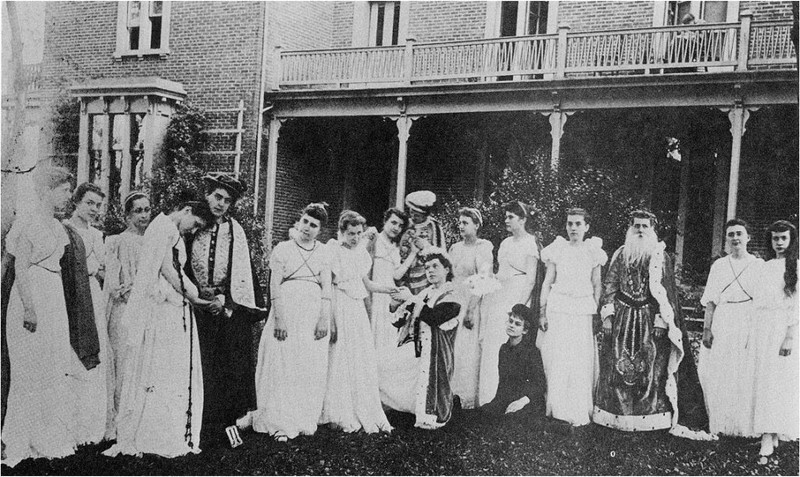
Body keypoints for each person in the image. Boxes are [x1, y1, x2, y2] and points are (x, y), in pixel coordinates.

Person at [103, 195, 215, 458]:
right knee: (161, 368)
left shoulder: (166, 228)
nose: (194, 229)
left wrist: (194, 292)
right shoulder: (164, 228)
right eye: (195, 223)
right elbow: (167, 270)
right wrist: (194, 296)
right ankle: (156, 434)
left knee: (168, 369)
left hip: (172, 304)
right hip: (164, 306)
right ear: (186, 210)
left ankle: (168, 430)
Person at [2, 167, 99, 468]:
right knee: (31, 369)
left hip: (53, 297)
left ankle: (50, 436)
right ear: (46, 190)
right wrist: (29, 307)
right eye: (64, 191)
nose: (67, 197)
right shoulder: (28, 223)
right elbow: (20, 269)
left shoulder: (59, 228)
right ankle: (22, 438)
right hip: (30, 295)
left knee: (54, 366)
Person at [594, 210, 710, 438]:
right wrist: (607, 315)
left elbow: (666, 293)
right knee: (619, 365)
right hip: (622, 319)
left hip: (649, 319)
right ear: (630, 228)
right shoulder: (620, 254)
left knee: (650, 369)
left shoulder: (660, 256)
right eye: (636, 226)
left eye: (644, 226)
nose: (640, 230)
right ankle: (616, 417)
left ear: (652, 230)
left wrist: (661, 320)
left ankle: (650, 419)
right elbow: (609, 285)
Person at [185, 173, 267, 447]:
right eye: (217, 197)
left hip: (225, 308)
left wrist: (224, 299)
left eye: (227, 200)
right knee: (199, 364)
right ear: (207, 195)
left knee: (226, 365)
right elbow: (179, 264)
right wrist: (196, 293)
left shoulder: (235, 230)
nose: (221, 204)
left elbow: (242, 273)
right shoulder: (192, 226)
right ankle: (197, 423)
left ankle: (226, 425)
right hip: (194, 305)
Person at [241, 203, 332, 441]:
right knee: (282, 363)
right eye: (305, 222)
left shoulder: (323, 252)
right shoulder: (283, 249)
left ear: (320, 230)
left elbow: (326, 288)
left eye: (314, 225)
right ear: (299, 221)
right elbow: (274, 286)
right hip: (287, 312)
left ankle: (302, 418)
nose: (308, 228)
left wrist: (324, 317)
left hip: (312, 314)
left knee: (307, 366)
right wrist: (279, 318)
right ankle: (279, 421)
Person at [319, 211, 393, 434]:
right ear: (342, 232)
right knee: (340, 355)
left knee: (360, 356)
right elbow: (329, 287)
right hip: (339, 304)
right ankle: (339, 409)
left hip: (356, 308)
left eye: (359, 233)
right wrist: (330, 319)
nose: (355, 237)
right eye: (351, 233)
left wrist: (387, 289)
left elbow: (366, 283)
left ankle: (363, 407)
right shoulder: (332, 249)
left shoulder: (361, 253)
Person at [537, 208, 606, 426]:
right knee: (558, 356)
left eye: (578, 224)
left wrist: (595, 313)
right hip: (558, 308)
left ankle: (577, 408)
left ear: (586, 227)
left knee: (579, 358)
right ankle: (557, 407)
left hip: (582, 310)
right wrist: (542, 311)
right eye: (569, 224)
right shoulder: (557, 249)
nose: (573, 228)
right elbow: (547, 282)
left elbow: (597, 284)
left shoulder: (593, 251)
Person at [380, 249, 461, 430]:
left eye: (435, 266)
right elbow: (399, 321)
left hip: (437, 352)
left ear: (447, 269)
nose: (430, 271)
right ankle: (396, 409)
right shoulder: (426, 292)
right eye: (427, 268)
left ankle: (427, 413)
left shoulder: (452, 295)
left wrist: (410, 299)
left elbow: (433, 318)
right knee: (382, 366)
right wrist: (396, 302)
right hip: (418, 346)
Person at [697, 219, 762, 437]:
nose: (735, 238)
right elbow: (710, 301)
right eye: (731, 234)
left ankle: (741, 425)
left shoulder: (758, 265)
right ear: (726, 239)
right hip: (723, 320)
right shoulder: (719, 266)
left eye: (739, 234)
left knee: (742, 371)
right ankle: (719, 423)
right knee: (719, 371)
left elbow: (762, 301)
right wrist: (707, 329)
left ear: (748, 237)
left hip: (747, 320)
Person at [480, 201, 539, 405]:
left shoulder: (530, 243)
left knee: (514, 340)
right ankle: (489, 395)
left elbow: (531, 278)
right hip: (500, 293)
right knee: (496, 341)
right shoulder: (505, 243)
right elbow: (500, 271)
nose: (506, 220)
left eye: (510, 217)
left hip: (518, 293)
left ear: (522, 220)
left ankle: (513, 398)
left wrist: (519, 309)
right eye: (505, 217)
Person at [104, 191, 151, 439]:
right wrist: (122, 288)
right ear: (127, 215)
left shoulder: (154, 242)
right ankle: (118, 424)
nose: (144, 215)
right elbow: (111, 280)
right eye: (138, 211)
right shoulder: (117, 242)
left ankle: (139, 423)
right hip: (124, 310)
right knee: (122, 364)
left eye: (147, 209)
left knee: (143, 365)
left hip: (147, 310)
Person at [66, 182, 111, 443]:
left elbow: (102, 268)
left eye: (98, 205)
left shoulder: (97, 234)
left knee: (96, 351)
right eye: (90, 203)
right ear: (76, 202)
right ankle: (71, 427)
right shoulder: (63, 230)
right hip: (70, 295)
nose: (95, 209)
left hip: (93, 294)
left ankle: (91, 429)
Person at [750, 220, 798, 464]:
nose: (779, 243)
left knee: (779, 381)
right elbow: (758, 301)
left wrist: (789, 335)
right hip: (765, 327)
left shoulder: (796, 267)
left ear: (791, 241)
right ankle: (770, 430)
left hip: (785, 328)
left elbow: (797, 305)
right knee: (765, 379)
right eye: (775, 239)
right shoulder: (766, 267)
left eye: (783, 238)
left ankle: (770, 434)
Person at [449, 207, 494, 410]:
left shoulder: (483, 248)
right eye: (460, 223)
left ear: (476, 225)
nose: (461, 226)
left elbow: (484, 279)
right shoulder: (455, 248)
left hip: (471, 300)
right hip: (454, 299)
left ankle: (465, 397)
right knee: (451, 346)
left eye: (465, 223)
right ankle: (449, 393)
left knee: (466, 348)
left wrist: (470, 309)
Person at [480, 304, 545, 418]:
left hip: (527, 402)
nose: (512, 326)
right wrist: (497, 403)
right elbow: (503, 382)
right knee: (481, 415)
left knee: (510, 421)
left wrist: (521, 402)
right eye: (510, 321)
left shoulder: (532, 352)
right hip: (507, 399)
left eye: (517, 324)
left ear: (524, 330)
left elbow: (540, 384)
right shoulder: (504, 349)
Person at [365, 207, 414, 352]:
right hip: (373, 294)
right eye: (393, 222)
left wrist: (413, 254)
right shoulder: (373, 239)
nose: (396, 228)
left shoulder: (395, 248)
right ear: (385, 221)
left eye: (400, 225)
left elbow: (397, 275)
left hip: (389, 298)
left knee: (386, 338)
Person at [399, 191, 445, 296]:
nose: (413, 217)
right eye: (411, 213)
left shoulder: (434, 227)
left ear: (425, 215)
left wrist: (425, 246)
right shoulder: (406, 224)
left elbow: (441, 253)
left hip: (424, 277)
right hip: (404, 274)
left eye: (417, 215)